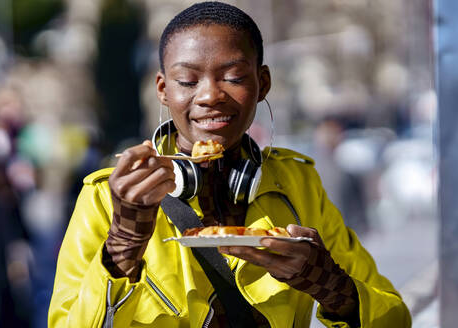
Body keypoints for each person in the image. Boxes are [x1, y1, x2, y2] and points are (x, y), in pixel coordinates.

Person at [48, 2, 411, 327]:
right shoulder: (106, 197)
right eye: (187, 81)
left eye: (234, 77)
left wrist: (332, 286)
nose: (210, 96)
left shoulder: (298, 183)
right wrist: (122, 246)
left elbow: (394, 318)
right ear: (163, 89)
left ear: (262, 82)